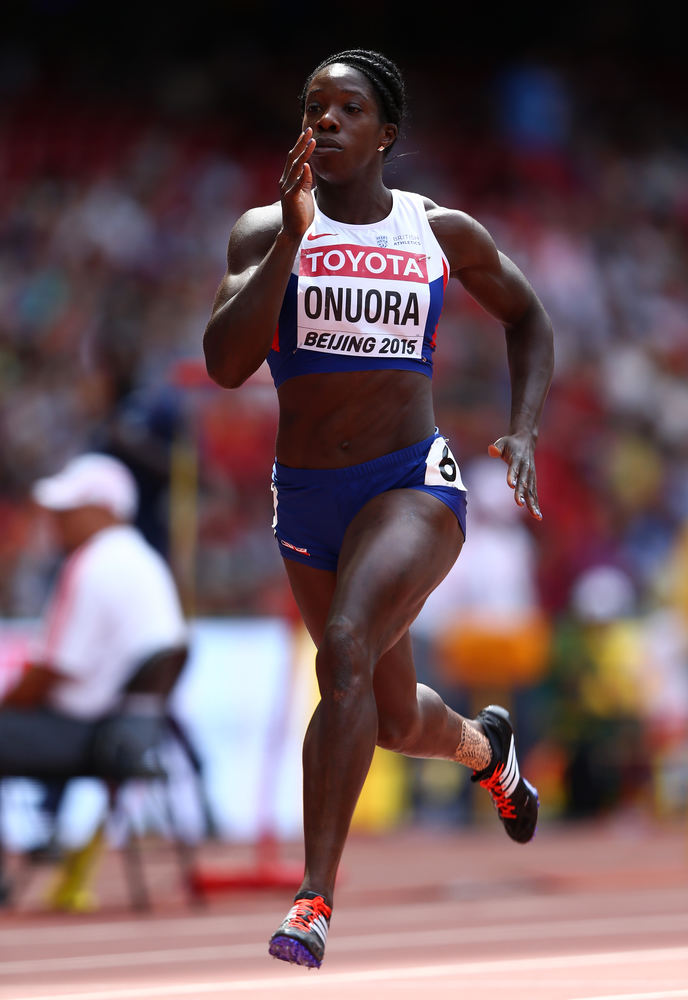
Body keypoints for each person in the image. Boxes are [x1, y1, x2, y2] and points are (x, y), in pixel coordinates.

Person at [203, 49, 554, 969]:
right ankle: (487, 751)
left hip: (412, 485)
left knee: (346, 647)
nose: (323, 121)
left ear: (385, 132)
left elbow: (529, 316)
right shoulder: (260, 231)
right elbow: (226, 364)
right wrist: (289, 238)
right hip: (308, 500)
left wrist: (521, 430)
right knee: (391, 718)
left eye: (346, 108)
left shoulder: (436, 230)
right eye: (312, 107)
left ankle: (314, 899)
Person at [0, 453, 188, 885]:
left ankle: (36, 837)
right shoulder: (146, 561)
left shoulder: (91, 565)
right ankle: (44, 827)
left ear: (103, 510)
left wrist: (7, 703)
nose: (57, 521)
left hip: (96, 735)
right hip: (137, 731)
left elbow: (51, 670)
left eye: (68, 511)